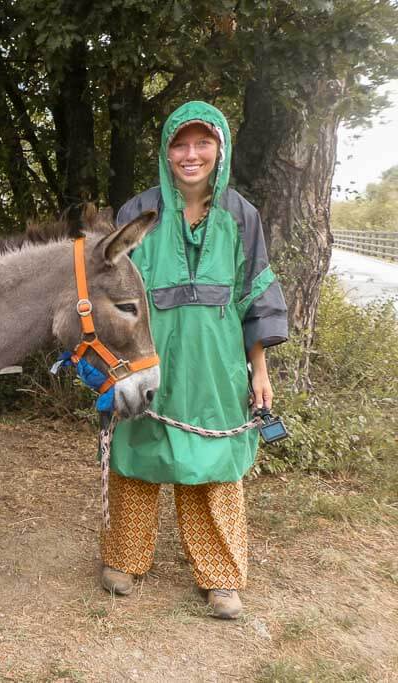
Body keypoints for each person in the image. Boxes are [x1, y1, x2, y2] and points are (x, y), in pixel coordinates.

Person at [103, 101, 289, 619]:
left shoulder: (240, 215)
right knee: (138, 454)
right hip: (149, 360)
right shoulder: (136, 212)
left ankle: (221, 578)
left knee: (214, 464)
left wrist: (260, 371)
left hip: (215, 366)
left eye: (201, 143)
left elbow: (255, 294)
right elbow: (114, 294)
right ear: (166, 151)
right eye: (180, 144)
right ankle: (124, 558)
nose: (190, 155)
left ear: (219, 150)